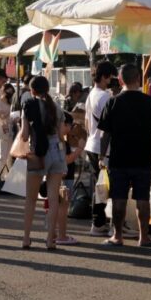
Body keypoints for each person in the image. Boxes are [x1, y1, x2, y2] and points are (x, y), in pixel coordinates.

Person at [98, 63, 151, 247]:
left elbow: (105, 134)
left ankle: (118, 236)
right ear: (139, 79)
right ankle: (143, 237)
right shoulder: (149, 102)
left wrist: (101, 156)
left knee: (119, 197)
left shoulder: (113, 102)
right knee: (143, 198)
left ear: (120, 80)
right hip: (144, 157)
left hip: (119, 158)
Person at [20, 76, 66, 250]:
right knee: (53, 198)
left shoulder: (29, 106)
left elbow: (25, 135)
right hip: (57, 151)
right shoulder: (56, 107)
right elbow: (61, 134)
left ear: (32, 91)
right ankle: (50, 240)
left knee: (31, 199)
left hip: (38, 152)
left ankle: (26, 238)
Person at [83, 60, 117, 236]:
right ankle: (98, 223)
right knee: (103, 187)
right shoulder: (105, 97)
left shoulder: (92, 94)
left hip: (92, 143)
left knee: (100, 185)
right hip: (103, 147)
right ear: (104, 76)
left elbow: (87, 122)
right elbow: (111, 125)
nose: (111, 80)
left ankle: (99, 222)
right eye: (110, 76)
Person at [55, 111, 86, 246]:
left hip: (55, 176)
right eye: (70, 125)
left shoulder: (55, 139)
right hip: (64, 177)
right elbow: (66, 160)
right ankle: (62, 235)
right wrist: (80, 148)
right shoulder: (61, 141)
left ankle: (54, 233)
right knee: (63, 207)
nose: (71, 129)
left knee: (55, 207)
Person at [0, 83, 15, 177]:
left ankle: (8, 177)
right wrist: (8, 114)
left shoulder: (11, 102)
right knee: (2, 155)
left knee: (9, 156)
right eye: (9, 92)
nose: (10, 94)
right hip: (2, 131)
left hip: (11, 131)